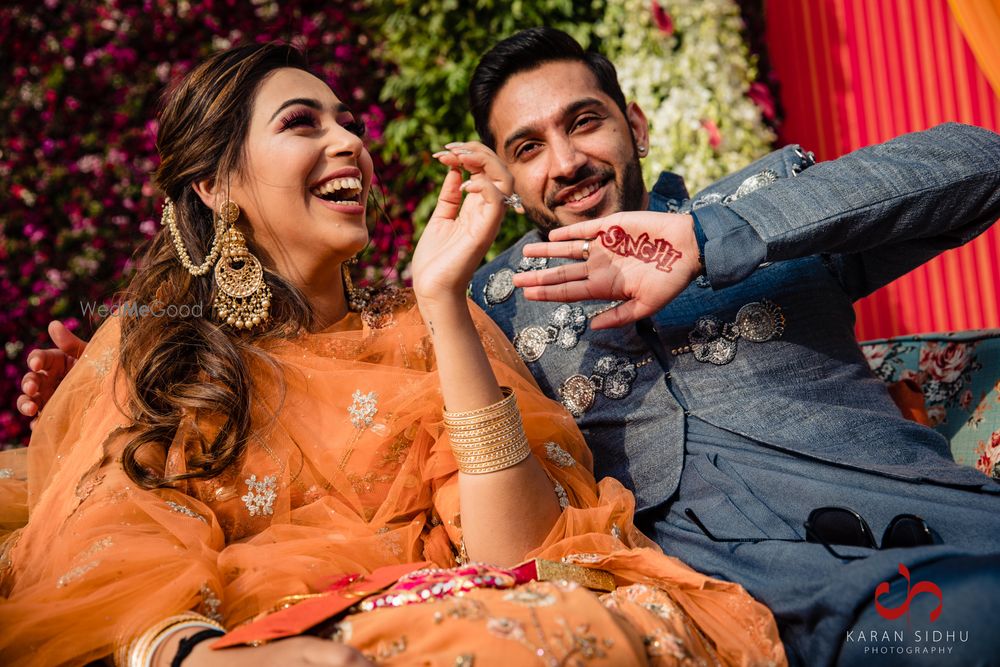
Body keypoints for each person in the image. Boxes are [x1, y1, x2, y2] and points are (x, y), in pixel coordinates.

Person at [17, 27, 1000, 666]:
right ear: (510, 179)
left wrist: (705, 243)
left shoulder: (754, 212)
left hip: (910, 562)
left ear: (635, 123)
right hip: (757, 610)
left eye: (583, 123)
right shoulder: (490, 299)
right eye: (526, 146)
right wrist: (93, 394)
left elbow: (976, 166)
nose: (565, 160)